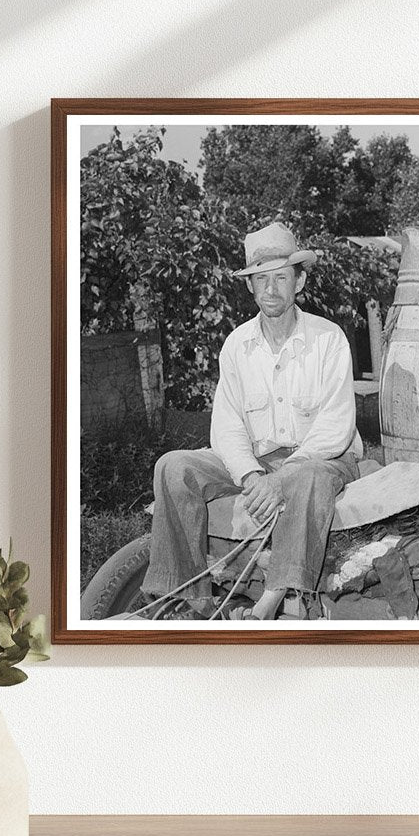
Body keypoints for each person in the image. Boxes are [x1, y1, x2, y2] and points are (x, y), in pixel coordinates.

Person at [140, 222, 362, 620]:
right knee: (173, 466)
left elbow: (335, 426)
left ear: (300, 281)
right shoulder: (237, 345)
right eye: (262, 279)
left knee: (307, 476)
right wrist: (250, 477)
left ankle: (275, 598)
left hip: (320, 458)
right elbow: (226, 426)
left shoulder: (329, 339)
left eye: (281, 278)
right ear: (250, 286)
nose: (271, 289)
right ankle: (189, 596)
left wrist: (281, 477)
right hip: (258, 462)